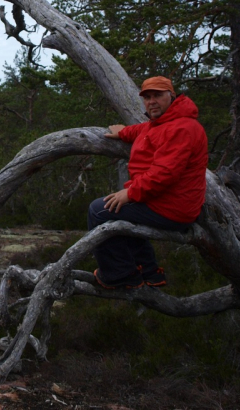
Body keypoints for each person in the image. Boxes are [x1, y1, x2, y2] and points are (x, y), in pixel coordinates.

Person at [89, 76, 208, 289]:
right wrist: (123, 132)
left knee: (99, 210)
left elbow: (164, 174)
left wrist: (130, 193)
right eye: (147, 97)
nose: (151, 101)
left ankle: (120, 275)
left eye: (157, 96)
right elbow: (143, 130)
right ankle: (149, 272)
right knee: (126, 210)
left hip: (172, 208)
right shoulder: (163, 123)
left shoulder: (183, 128)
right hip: (165, 201)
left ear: (171, 96)